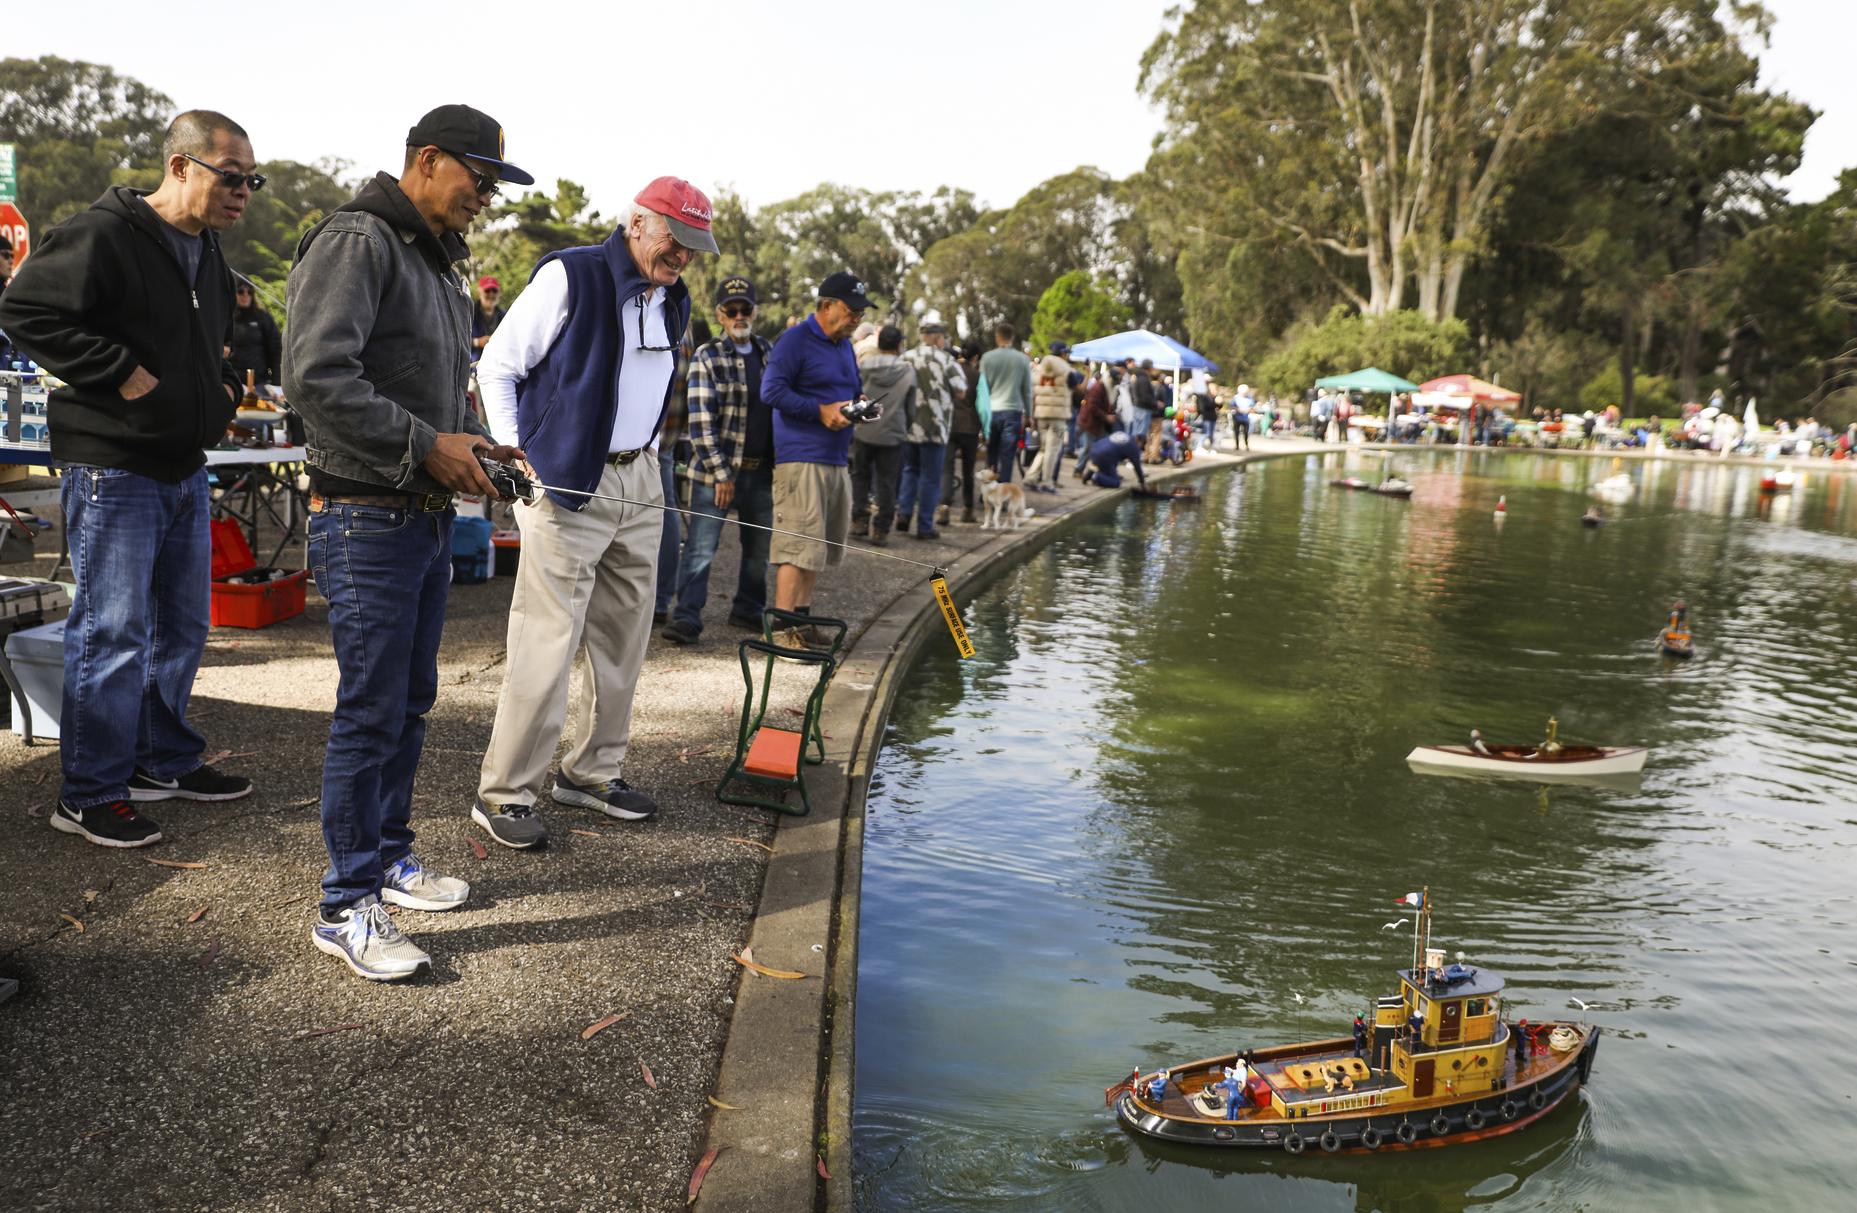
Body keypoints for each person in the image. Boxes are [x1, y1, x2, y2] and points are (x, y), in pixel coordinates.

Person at [286, 103, 532, 977]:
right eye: (480, 176)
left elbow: (431, 391)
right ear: (427, 160)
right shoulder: (359, 239)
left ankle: (386, 858)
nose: (487, 197)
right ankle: (345, 902)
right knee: (370, 708)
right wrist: (428, 444)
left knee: (410, 701)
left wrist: (472, 436)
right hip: (365, 516)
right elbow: (316, 375)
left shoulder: (436, 262)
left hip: (421, 517)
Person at [0, 110, 260, 850]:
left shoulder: (207, 251)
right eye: (231, 176)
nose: (244, 191)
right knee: (113, 631)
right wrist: (115, 370)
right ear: (180, 166)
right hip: (114, 465)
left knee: (182, 624)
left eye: (251, 179)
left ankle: (162, 760)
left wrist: (219, 391)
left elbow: (205, 341)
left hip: (183, 464)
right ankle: (89, 792)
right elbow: (22, 308)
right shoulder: (105, 231)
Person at [472, 175, 713, 851]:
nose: (684, 257)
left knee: (624, 638)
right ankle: (506, 791)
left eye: (695, 246)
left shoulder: (675, 298)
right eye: (676, 239)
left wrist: (652, 458)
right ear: (636, 223)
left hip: (640, 476)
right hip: (565, 480)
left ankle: (591, 770)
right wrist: (514, 454)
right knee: (547, 641)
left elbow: (653, 381)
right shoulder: (569, 276)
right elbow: (497, 367)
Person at [661, 276, 774, 644]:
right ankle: (687, 616)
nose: (739, 315)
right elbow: (701, 423)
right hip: (715, 474)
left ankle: (748, 609)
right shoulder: (707, 356)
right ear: (720, 315)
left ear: (754, 312)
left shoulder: (768, 353)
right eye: (731, 310)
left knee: (758, 551)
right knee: (701, 549)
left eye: (745, 309)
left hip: (760, 472)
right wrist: (722, 474)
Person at [763, 271, 870, 644]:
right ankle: (782, 630)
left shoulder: (843, 345)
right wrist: (820, 410)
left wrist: (861, 408)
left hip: (836, 457)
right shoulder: (795, 341)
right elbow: (771, 391)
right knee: (796, 545)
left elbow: (853, 390)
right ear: (827, 306)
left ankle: (802, 623)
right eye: (852, 310)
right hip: (801, 457)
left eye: (860, 311)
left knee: (817, 547)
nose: (857, 317)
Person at [898, 320, 964, 536]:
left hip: (910, 424)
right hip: (936, 426)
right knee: (930, 476)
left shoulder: (906, 357)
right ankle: (925, 525)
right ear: (937, 337)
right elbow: (961, 390)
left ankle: (904, 513)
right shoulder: (946, 359)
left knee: (910, 469)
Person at [850, 325, 914, 544]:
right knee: (887, 482)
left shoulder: (863, 366)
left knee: (860, 475)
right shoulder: (907, 370)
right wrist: (906, 426)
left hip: (864, 429)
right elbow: (911, 405)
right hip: (893, 431)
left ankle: (859, 521)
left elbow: (855, 395)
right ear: (898, 346)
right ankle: (881, 529)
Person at [979, 322, 1032, 483]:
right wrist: (1029, 414)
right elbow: (1027, 390)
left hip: (991, 411)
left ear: (997, 337)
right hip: (1012, 412)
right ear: (1012, 338)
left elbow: (983, 390)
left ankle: (989, 489)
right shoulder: (1022, 359)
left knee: (991, 452)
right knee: (1007, 455)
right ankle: (1003, 493)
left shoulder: (987, 358)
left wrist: (982, 415)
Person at [940, 338, 984, 525]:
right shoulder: (977, 376)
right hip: (970, 427)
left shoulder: (949, 372)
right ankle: (967, 509)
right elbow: (983, 405)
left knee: (947, 468)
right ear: (975, 357)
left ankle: (944, 508)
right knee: (968, 469)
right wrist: (985, 429)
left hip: (949, 425)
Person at [1023, 341, 1071, 492]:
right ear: (1062, 353)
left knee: (1044, 449)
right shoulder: (1064, 369)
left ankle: (1030, 477)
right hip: (1057, 415)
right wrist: (1088, 373)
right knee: (1053, 449)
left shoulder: (1040, 369)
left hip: (1041, 414)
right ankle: (1047, 482)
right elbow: (1079, 388)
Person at [227, 279, 281, 389]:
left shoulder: (263, 317)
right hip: (232, 382)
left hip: (259, 383)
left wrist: (276, 383)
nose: (245, 295)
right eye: (241, 291)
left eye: (249, 292)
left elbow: (276, 350)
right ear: (233, 293)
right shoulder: (225, 318)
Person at [470, 275, 505, 355]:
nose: (491, 294)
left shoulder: (505, 316)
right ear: (479, 292)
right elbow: (457, 341)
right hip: (474, 364)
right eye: (487, 290)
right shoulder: (469, 314)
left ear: (499, 293)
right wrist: (477, 342)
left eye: (494, 290)